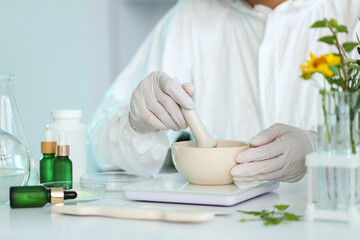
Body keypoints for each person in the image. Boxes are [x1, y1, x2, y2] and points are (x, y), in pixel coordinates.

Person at [87, 0, 360, 182]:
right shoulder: (194, 13)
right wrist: (135, 124)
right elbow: (97, 150)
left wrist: (319, 146)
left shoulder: (350, 12)